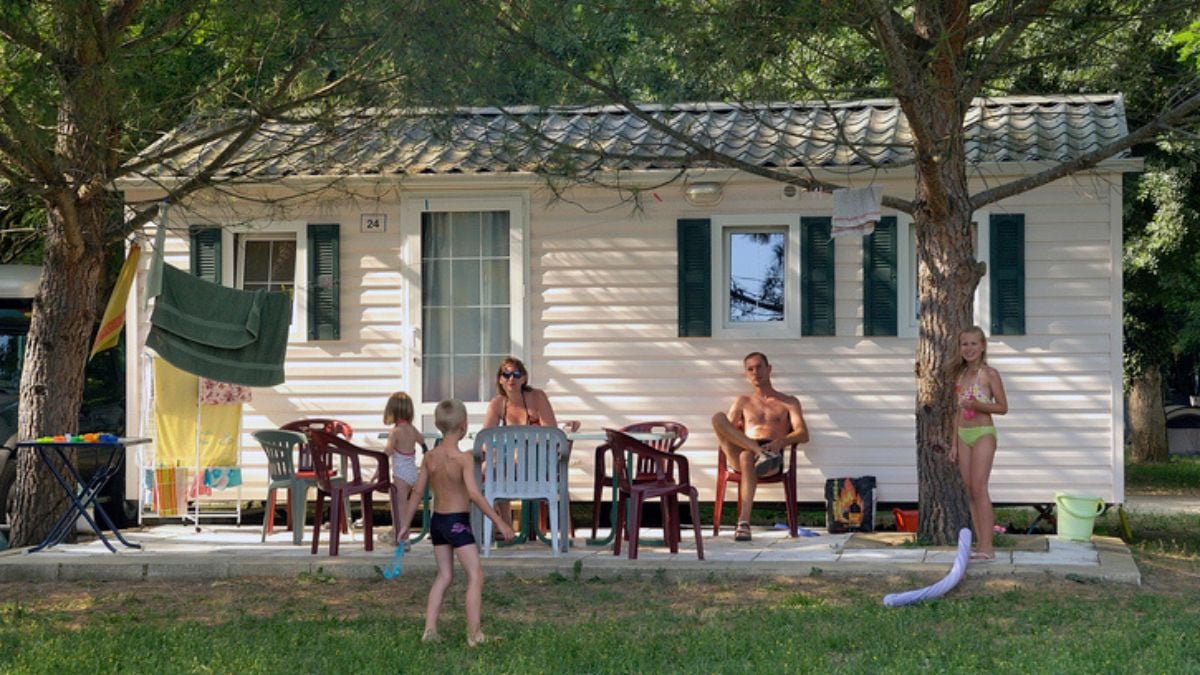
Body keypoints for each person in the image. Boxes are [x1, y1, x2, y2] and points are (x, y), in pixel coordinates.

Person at [398, 398, 515, 646]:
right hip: (458, 523)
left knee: (444, 576)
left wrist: (405, 524)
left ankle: (429, 630)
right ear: (463, 425)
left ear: (439, 426)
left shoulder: (430, 457)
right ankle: (474, 634)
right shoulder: (463, 459)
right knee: (475, 575)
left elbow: (417, 492)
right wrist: (500, 522)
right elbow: (474, 494)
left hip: (437, 523)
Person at [711, 352, 809, 542]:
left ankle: (743, 523)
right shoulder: (743, 401)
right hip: (743, 448)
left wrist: (781, 441)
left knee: (747, 457)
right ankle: (757, 452)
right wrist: (752, 446)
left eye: (759, 367)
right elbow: (727, 431)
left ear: (769, 369)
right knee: (718, 418)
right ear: (746, 374)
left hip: (772, 456)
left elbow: (803, 433)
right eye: (750, 369)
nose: (756, 372)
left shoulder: (788, 402)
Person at [947, 325, 1009, 563]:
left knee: (980, 487)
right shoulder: (960, 376)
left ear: (982, 346)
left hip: (983, 433)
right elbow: (957, 412)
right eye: (965, 344)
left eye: (974, 344)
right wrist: (954, 443)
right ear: (960, 348)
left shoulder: (989, 374)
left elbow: (1003, 407)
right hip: (963, 435)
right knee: (970, 490)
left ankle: (988, 546)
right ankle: (979, 543)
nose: (969, 348)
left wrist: (978, 406)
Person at [481, 356, 558, 528]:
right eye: (506, 374)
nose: (511, 379)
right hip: (508, 461)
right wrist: (493, 450)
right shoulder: (498, 404)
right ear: (500, 379)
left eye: (516, 374)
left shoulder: (537, 397)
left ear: (524, 378)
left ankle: (501, 525)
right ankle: (503, 524)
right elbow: (484, 437)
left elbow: (551, 434)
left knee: (498, 465)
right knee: (487, 465)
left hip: (537, 459)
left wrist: (524, 446)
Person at [383, 391, 422, 546]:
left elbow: (388, 451)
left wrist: (378, 467)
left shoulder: (395, 432)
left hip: (400, 474)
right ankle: (397, 531)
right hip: (412, 471)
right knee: (406, 504)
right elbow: (422, 441)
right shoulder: (412, 429)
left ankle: (401, 536)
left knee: (399, 505)